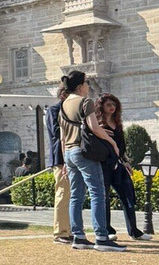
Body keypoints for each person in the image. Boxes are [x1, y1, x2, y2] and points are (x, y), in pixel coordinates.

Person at [59, 71, 125, 251]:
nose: (88, 85)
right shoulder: (85, 102)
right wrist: (112, 142)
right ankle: (101, 237)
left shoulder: (64, 104)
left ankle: (78, 236)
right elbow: (94, 127)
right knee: (97, 192)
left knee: (76, 195)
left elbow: (62, 136)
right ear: (80, 86)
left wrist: (65, 161)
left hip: (69, 152)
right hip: (83, 152)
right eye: (86, 82)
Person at [95, 93, 149, 241]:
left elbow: (121, 146)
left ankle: (134, 231)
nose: (112, 107)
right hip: (103, 165)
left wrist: (125, 161)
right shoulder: (97, 124)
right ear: (101, 106)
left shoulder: (117, 123)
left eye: (114, 104)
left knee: (128, 196)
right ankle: (107, 230)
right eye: (108, 104)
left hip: (118, 164)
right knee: (104, 198)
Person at [45, 83, 73, 245]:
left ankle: (68, 230)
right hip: (61, 158)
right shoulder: (54, 111)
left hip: (72, 157)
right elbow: (57, 134)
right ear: (63, 95)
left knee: (71, 195)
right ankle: (60, 232)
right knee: (63, 194)